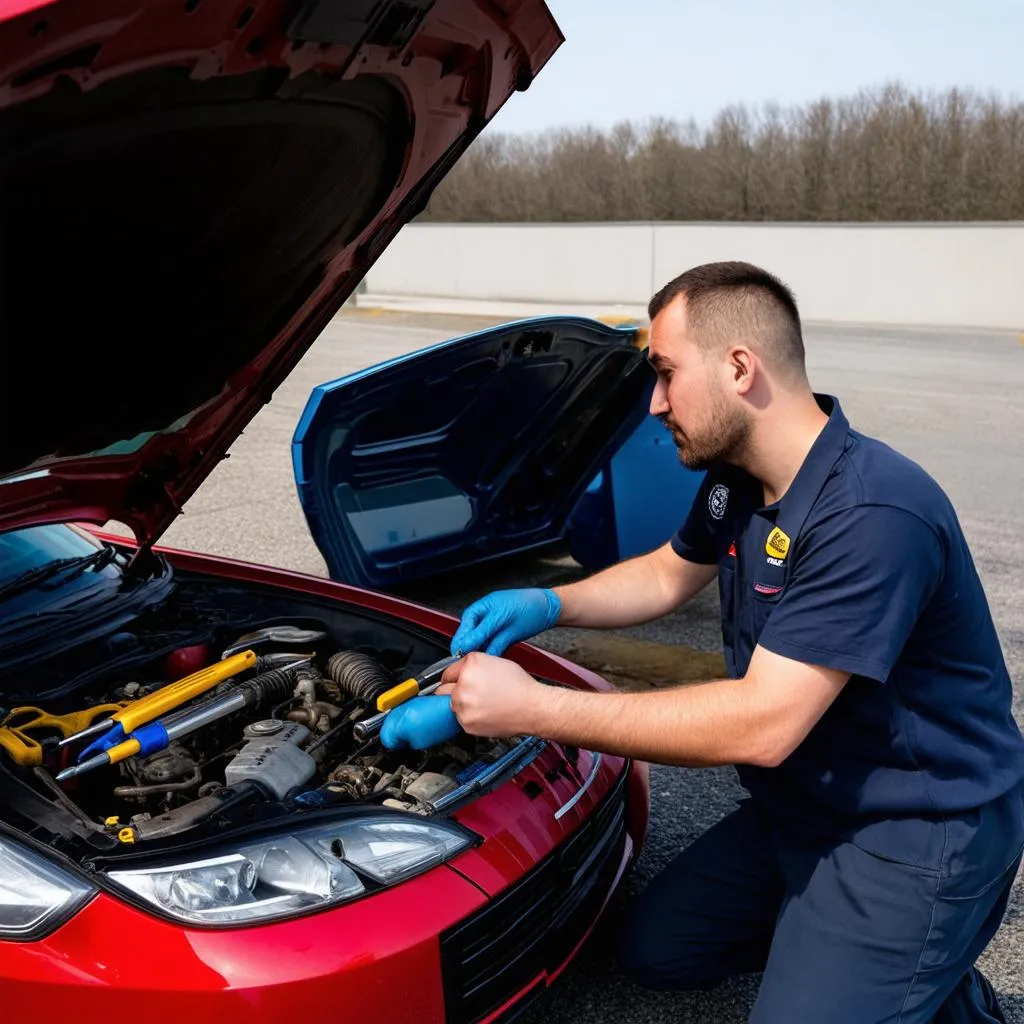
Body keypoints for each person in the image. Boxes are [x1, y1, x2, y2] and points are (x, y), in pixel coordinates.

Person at [381, 261, 1024, 1023]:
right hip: (809, 809)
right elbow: (665, 576)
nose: (654, 404)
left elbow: (762, 723)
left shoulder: (872, 514)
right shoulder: (740, 477)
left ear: (740, 368)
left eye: (665, 373)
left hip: (913, 832)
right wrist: (548, 601)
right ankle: (858, 957)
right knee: (659, 951)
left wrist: (532, 707)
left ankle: (933, 980)